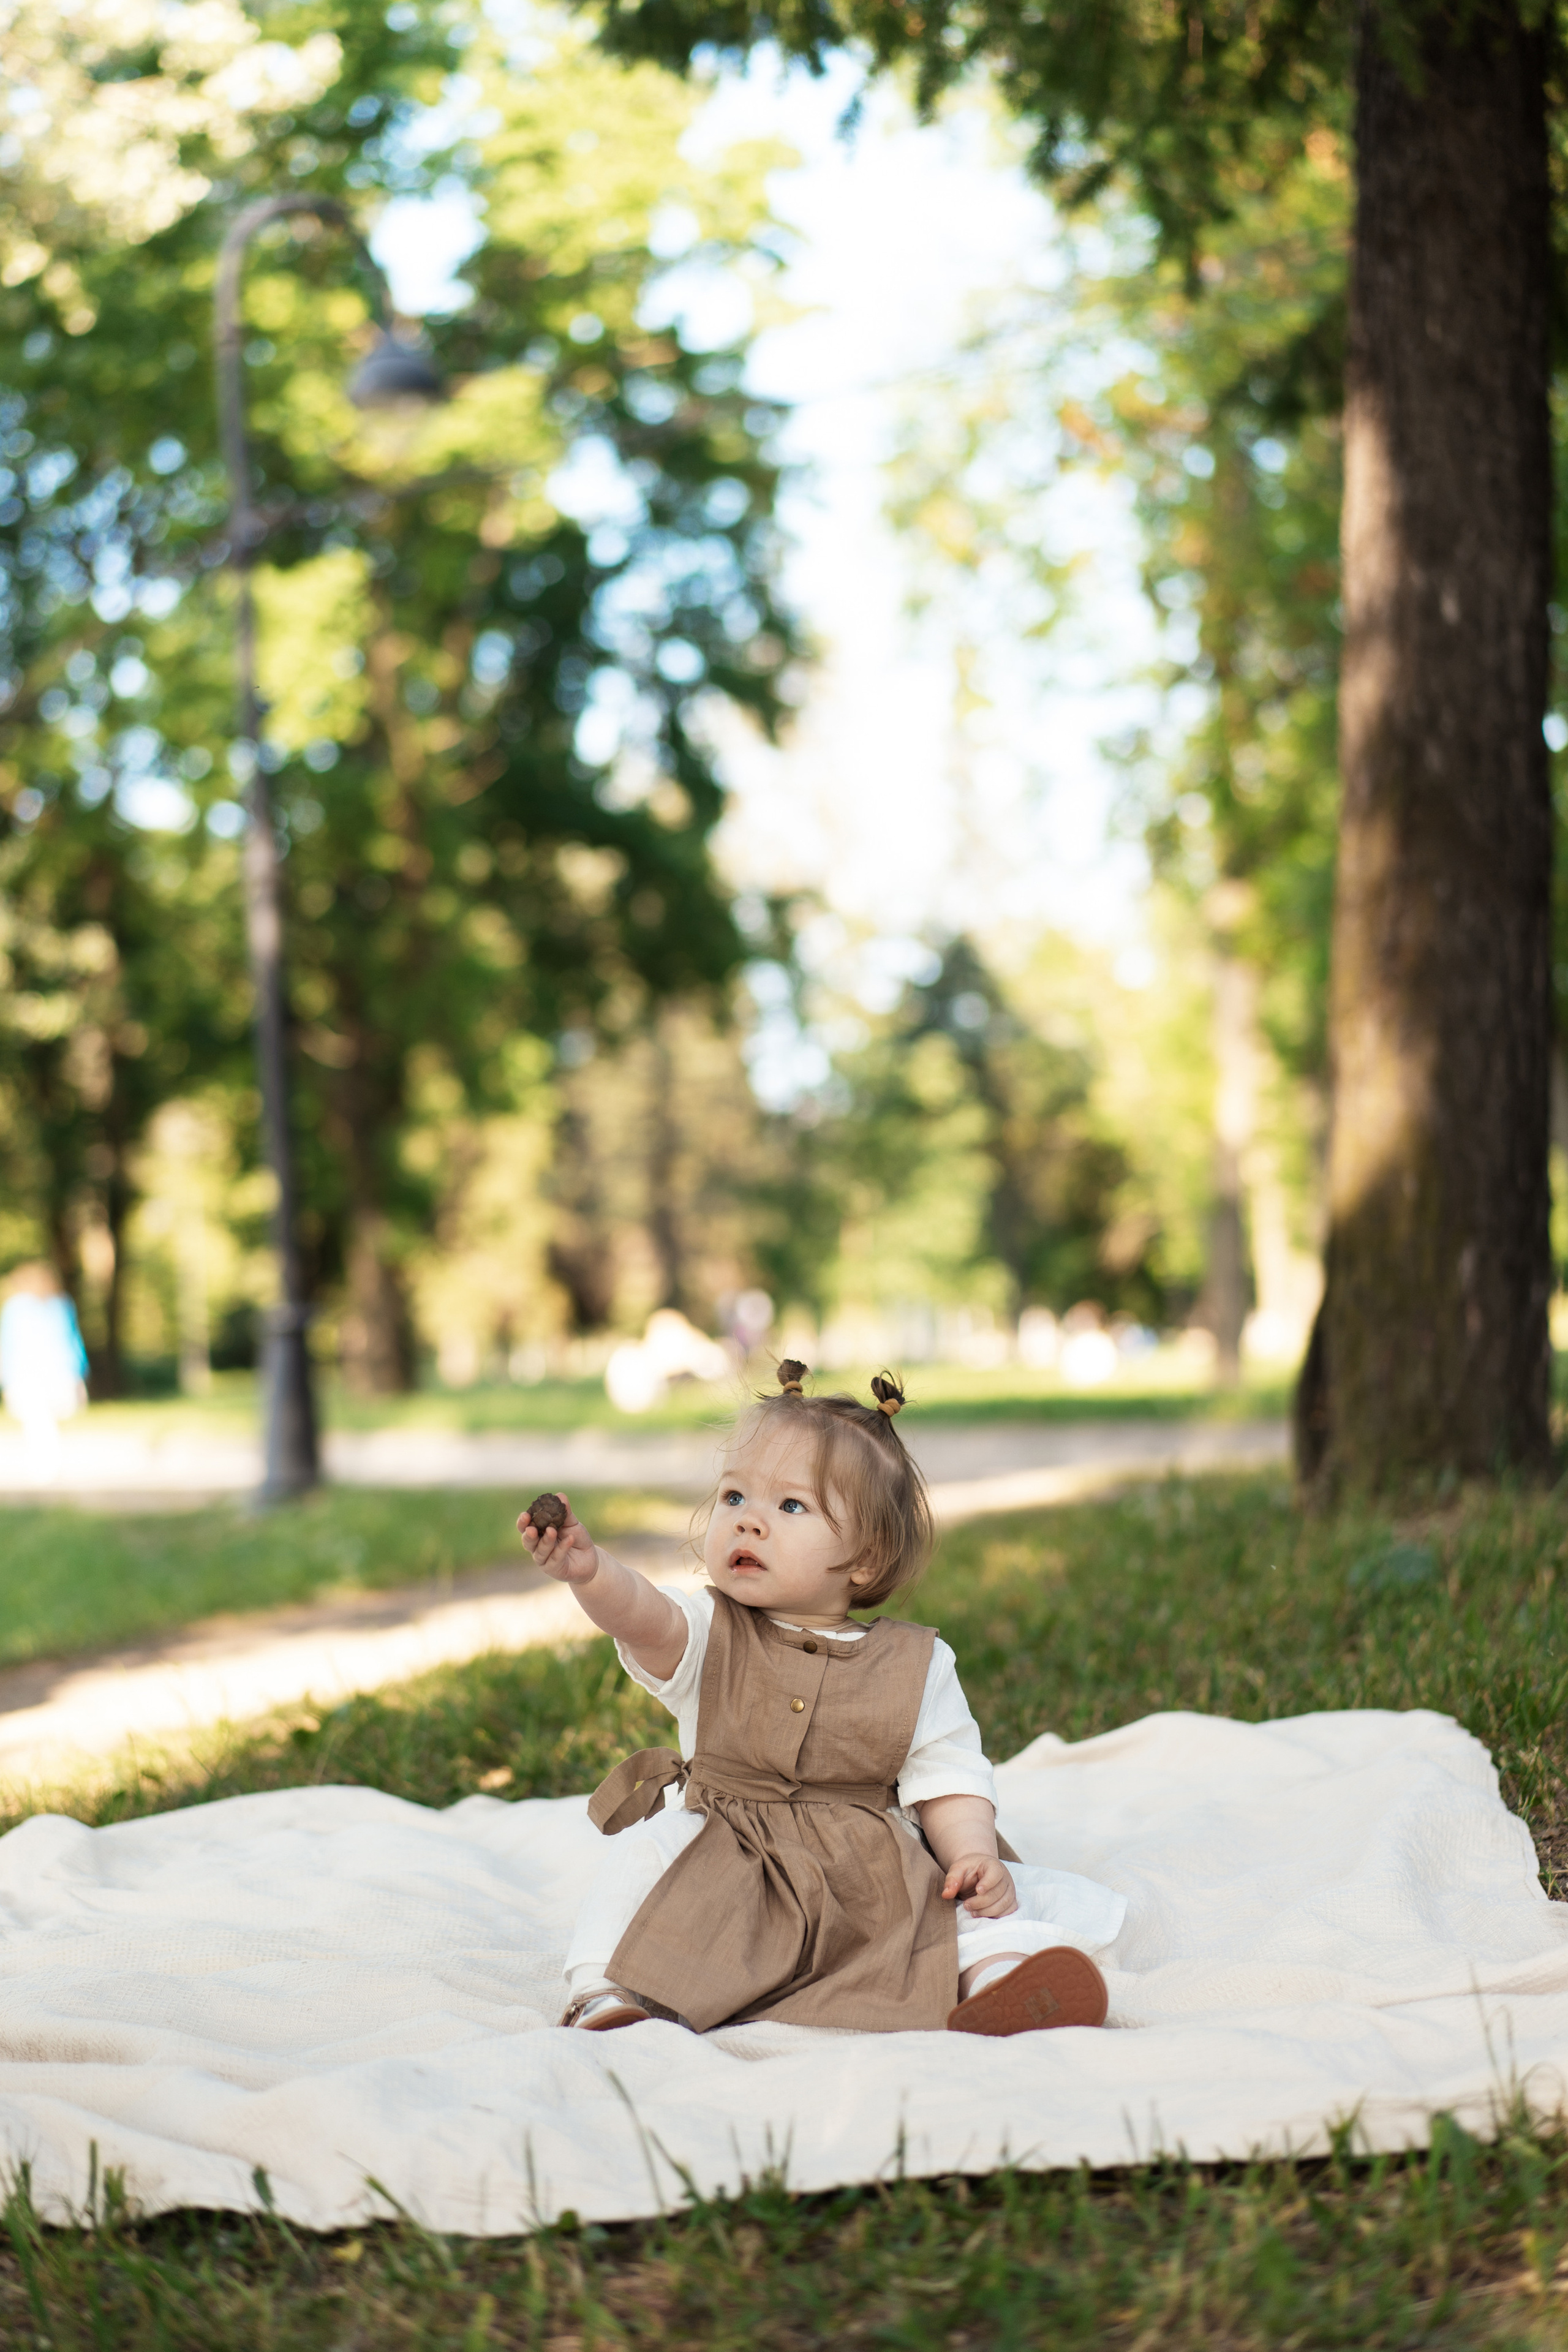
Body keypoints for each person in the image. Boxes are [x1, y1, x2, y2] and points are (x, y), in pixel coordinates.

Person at [519, 1360, 1125, 2038]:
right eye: (733, 1498)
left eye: (789, 1506)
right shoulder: (710, 1630)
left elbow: (947, 1777)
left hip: (867, 1869)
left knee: (950, 1907)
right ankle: (601, 1989)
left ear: (863, 1559)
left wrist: (971, 1855)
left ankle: (999, 1979)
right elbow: (642, 1616)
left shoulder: (915, 1663)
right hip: (732, 1853)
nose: (748, 1524)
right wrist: (592, 1573)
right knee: (649, 1854)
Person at [0, 1261, 89, 1480]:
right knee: (43, 1419)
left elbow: (7, 1344)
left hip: (29, 1374)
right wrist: (79, 1373)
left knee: (38, 1419)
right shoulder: (61, 1305)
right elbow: (73, 1342)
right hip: (56, 1373)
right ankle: (47, 1464)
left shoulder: (16, 1308)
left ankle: (44, 1466)